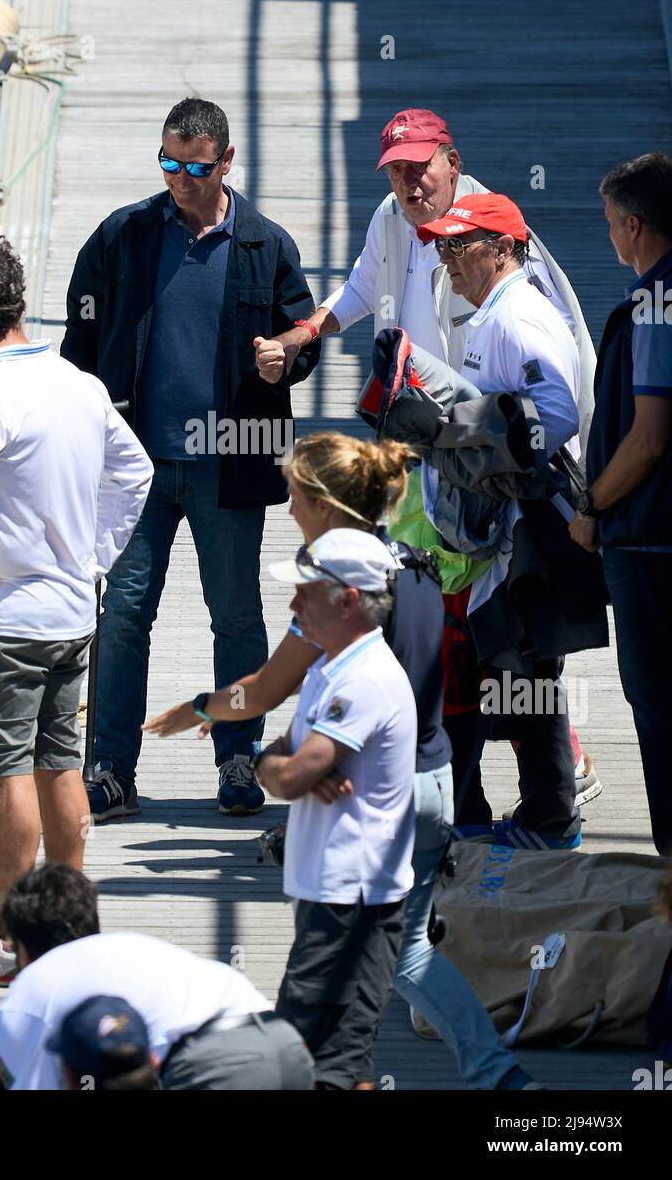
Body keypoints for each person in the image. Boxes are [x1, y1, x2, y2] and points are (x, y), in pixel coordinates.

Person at [145, 432, 538, 1090]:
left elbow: (268, 690)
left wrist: (205, 707)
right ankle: (494, 1076)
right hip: (432, 779)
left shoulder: (337, 587)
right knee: (401, 949)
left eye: (297, 497)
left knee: (333, 955)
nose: (290, 510)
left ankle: (345, 1072)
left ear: (326, 506)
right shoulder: (413, 564)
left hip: (367, 797)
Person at [253, 106, 601, 811]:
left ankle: (544, 779)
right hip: (427, 456)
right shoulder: (393, 217)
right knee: (442, 624)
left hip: (489, 472)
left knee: (494, 630)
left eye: (421, 167)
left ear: (452, 160)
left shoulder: (487, 241)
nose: (411, 185)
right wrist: (301, 336)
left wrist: (509, 456)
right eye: (398, 171)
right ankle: (467, 797)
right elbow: (357, 291)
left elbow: (551, 401)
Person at [60, 96, 320, 820]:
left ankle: (238, 758)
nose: (179, 179)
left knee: (234, 615)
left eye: (195, 167)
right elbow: (80, 338)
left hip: (227, 467)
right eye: (168, 163)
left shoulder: (266, 245)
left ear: (226, 162)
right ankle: (111, 769)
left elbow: (302, 333)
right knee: (122, 616)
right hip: (136, 466)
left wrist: (285, 361)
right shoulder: (124, 236)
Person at [0, 226, 153, 984]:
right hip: (71, 613)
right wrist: (94, 560)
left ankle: (10, 939)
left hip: (5, 621)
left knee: (5, 774)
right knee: (61, 765)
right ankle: (71, 929)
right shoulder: (77, 383)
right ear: (18, 301)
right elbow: (136, 471)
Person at [416, 192, 583, 849]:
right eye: (440, 246)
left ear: (504, 249)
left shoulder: (515, 320)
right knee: (516, 668)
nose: (447, 258)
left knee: (528, 670)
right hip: (514, 524)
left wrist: (464, 434)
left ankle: (551, 820)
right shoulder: (495, 316)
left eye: (460, 245)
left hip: (534, 524)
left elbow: (558, 414)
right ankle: (542, 813)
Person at [251, 529, 416, 1090]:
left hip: (351, 904)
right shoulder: (330, 668)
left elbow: (292, 773)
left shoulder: (363, 680)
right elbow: (290, 764)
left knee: (303, 1062)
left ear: (348, 599)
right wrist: (278, 763)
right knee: (341, 1065)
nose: (293, 604)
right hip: (333, 894)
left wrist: (275, 764)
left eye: (305, 592)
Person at [0, 864, 313, 1090]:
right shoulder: (129, 949)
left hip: (211, 1069)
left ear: (21, 950)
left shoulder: (26, 999)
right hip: (286, 1044)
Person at [570, 154, 672, 855]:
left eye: (610, 225)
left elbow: (648, 437)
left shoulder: (656, 307)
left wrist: (590, 506)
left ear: (634, 226)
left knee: (660, 714)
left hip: (650, 547)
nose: (609, 239)